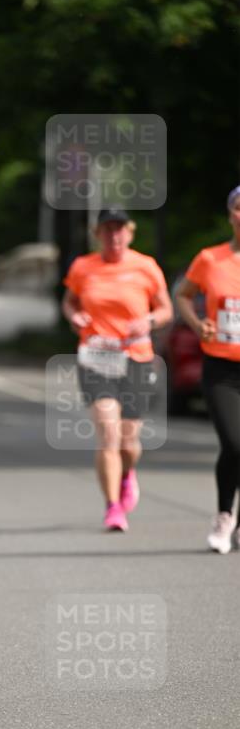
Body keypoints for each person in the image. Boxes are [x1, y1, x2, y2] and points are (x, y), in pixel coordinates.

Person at [62, 208, 172, 531]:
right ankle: (113, 507)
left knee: (128, 440)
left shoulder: (146, 267)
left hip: (136, 358)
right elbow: (70, 301)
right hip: (96, 358)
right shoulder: (84, 267)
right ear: (98, 234)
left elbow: (165, 310)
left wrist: (149, 320)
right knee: (108, 433)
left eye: (120, 229)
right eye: (108, 229)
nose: (114, 235)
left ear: (130, 232)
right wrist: (74, 316)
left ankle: (127, 474)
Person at [175, 186, 240, 553]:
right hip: (222, 367)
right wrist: (198, 324)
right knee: (234, 442)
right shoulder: (210, 259)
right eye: (239, 208)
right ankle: (223, 515)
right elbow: (183, 294)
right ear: (231, 214)